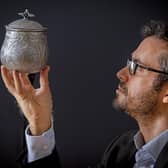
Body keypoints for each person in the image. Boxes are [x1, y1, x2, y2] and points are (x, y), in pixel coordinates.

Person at [1, 20, 168, 168]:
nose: (121, 73)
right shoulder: (120, 150)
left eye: (136, 67)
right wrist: (39, 120)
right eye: (129, 62)